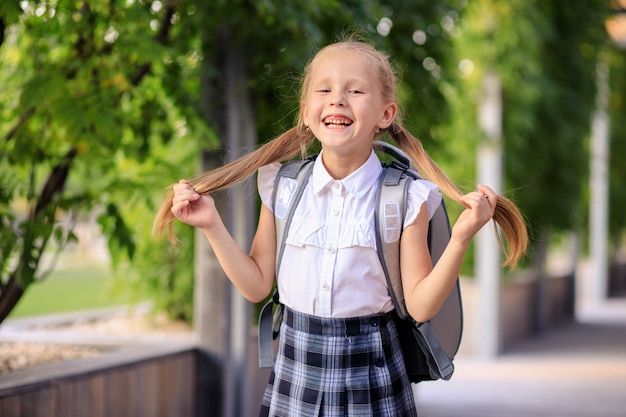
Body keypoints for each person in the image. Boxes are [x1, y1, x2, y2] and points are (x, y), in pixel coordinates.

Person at [153, 39, 527, 417]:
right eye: (325, 89)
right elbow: (256, 285)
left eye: (355, 90)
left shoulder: (404, 197)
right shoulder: (283, 187)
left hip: (375, 378)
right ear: (306, 111)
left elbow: (420, 304)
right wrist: (212, 225)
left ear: (385, 113)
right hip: (295, 374)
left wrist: (461, 238)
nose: (337, 99)